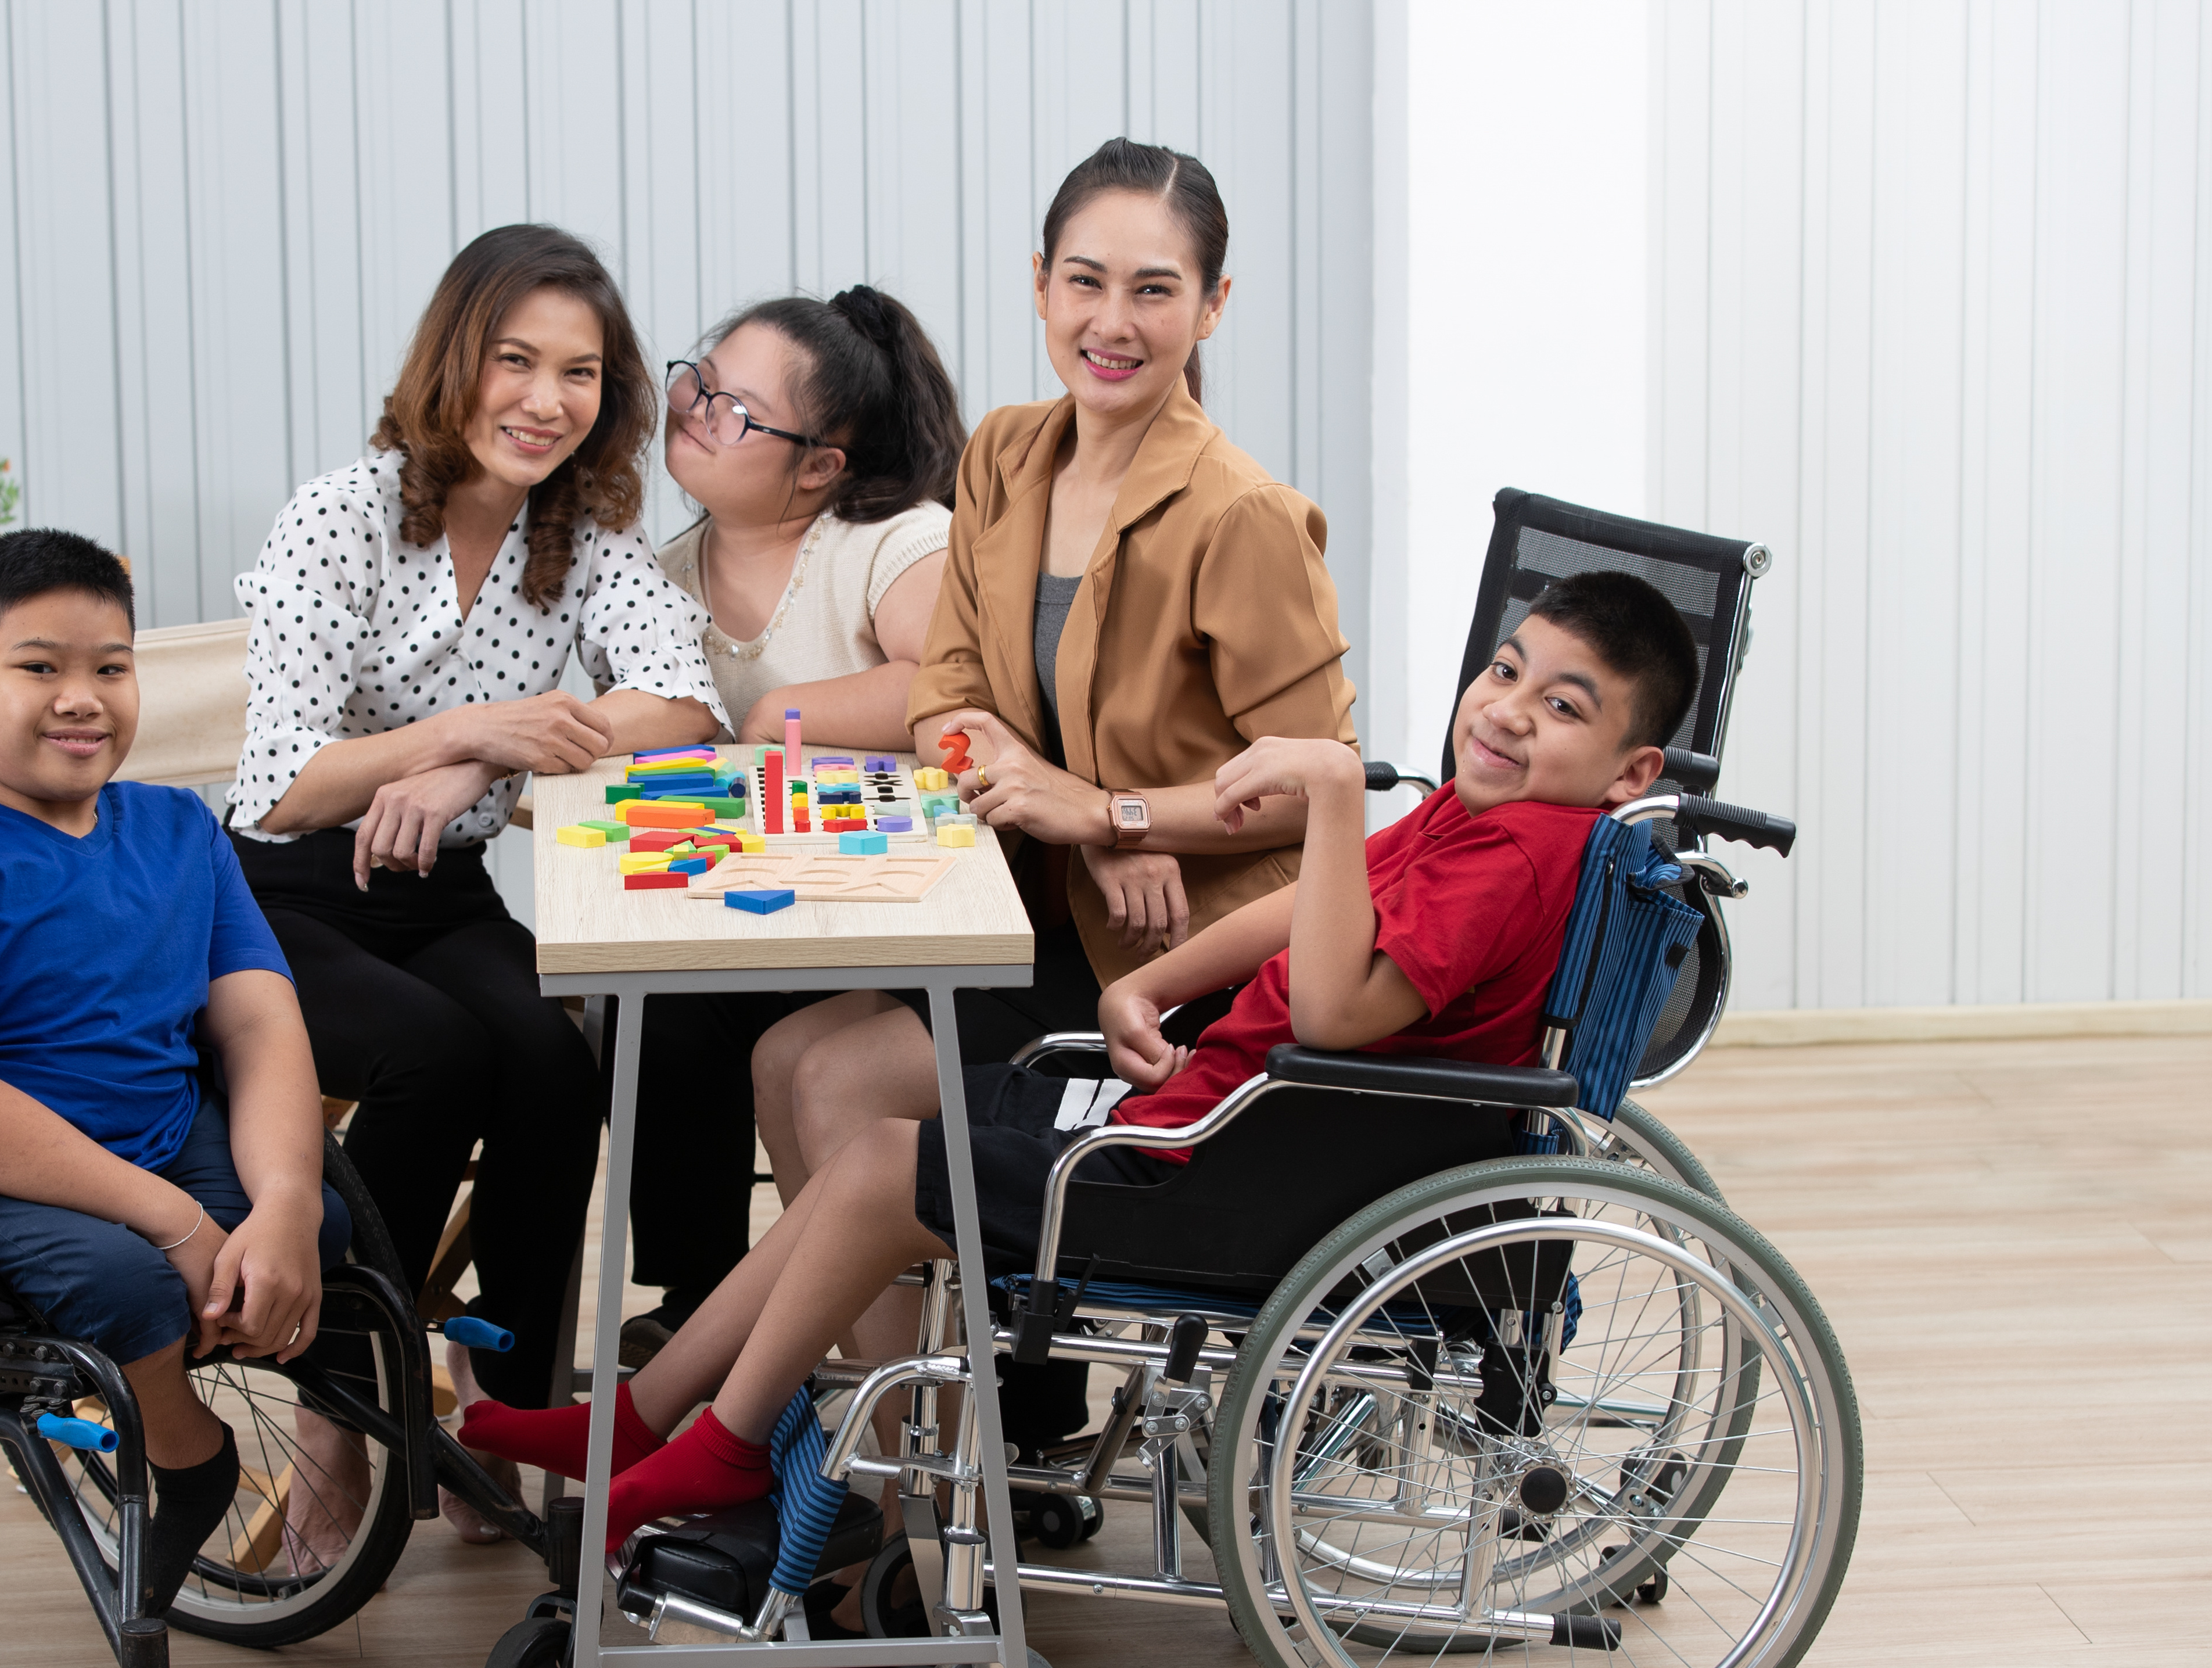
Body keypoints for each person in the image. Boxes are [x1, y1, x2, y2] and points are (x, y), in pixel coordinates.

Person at [455, 568, 1700, 1548]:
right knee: (873, 1154)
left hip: (1239, 1174)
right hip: (1214, 1121)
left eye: (1561, 705)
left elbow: (1331, 1007)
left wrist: (1327, 790)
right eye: (1504, 670)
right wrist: (1153, 976)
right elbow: (1335, 903)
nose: (1506, 709)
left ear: (1632, 770)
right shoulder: (1480, 817)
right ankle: (643, 1415)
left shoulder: (1517, 854)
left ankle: (712, 1438)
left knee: (885, 1161)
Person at [748, 135, 1361, 1467]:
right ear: (1037, 286)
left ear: (1211, 305)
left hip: (1181, 962)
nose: (1113, 321)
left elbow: (1317, 787)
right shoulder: (1009, 457)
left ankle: (919, 1468)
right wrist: (1067, 801)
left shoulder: (1243, 516)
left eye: (1154, 289)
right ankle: (902, 1428)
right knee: (777, 1058)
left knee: (842, 1077)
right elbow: (948, 691)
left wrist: (1114, 816)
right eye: (1084, 281)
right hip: (1040, 908)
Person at [229, 224, 725, 1536]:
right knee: (434, 1057)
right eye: (516, 359)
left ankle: (500, 1392)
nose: (545, 400)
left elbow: (683, 705)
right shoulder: (341, 514)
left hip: (439, 897)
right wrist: (474, 730)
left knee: (554, 1063)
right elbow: (280, 784)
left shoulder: (584, 539)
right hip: (279, 892)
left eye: (579, 372)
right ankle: (337, 1407)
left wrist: (478, 773)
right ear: (458, 360)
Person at [0, 527, 355, 1615]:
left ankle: (182, 1347)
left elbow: (258, 1026)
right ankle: (187, 1454)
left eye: (109, 667)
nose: (81, 697)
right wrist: (175, 1222)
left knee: (316, 1227)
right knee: (125, 1279)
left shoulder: (176, 826)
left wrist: (283, 1201)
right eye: (40, 667)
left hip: (150, 1119)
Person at [622, 285, 967, 1355]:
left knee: (765, 1041)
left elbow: (949, 687)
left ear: (818, 465)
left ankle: (816, 1342)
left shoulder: (889, 543)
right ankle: (705, 1303)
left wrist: (783, 715)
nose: (694, 407)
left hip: (882, 920)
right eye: (699, 378)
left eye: (736, 406)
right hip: (749, 911)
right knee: (650, 1022)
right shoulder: (659, 578)